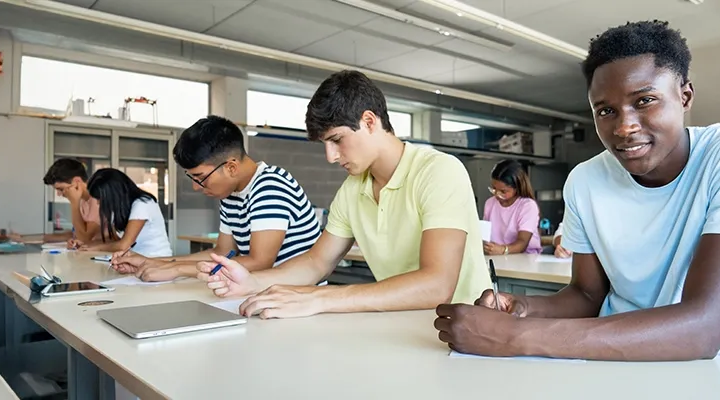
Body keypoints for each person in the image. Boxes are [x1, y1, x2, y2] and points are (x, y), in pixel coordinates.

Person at [434, 20, 720, 362]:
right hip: (611, 362)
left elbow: (705, 327)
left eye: (645, 100)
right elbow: (586, 296)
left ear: (685, 96)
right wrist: (522, 308)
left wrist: (514, 336)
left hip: (716, 370)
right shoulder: (585, 180)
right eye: (606, 110)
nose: (624, 127)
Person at [196, 70, 491, 319]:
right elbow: (316, 262)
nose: (331, 156)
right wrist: (251, 281)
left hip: (466, 333)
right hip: (401, 324)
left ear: (369, 122)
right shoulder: (353, 189)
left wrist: (319, 298)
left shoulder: (438, 171)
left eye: (337, 140)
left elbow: (437, 285)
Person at [109, 116, 321, 282]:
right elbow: (222, 252)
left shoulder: (270, 187)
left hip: (297, 298)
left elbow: (259, 262)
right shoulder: (232, 194)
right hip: (262, 291)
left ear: (231, 167)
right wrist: (151, 262)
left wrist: (175, 269)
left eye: (201, 178)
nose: (196, 187)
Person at [74, 168, 172, 257]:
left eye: (100, 198)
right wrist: (86, 244)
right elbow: (115, 241)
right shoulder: (118, 209)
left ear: (113, 194)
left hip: (156, 261)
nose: (98, 203)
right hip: (133, 261)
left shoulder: (143, 204)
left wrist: (96, 248)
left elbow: (124, 245)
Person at [482, 159, 542, 255]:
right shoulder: (490, 203)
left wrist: (503, 250)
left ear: (517, 188)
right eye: (494, 189)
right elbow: (485, 237)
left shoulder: (527, 206)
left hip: (526, 258)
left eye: (503, 191)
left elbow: (522, 242)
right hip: (497, 257)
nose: (497, 194)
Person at [36, 158, 102, 244]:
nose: (59, 194)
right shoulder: (83, 200)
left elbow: (84, 239)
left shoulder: (97, 200)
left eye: (61, 189)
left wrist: (74, 202)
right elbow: (76, 233)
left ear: (77, 181)